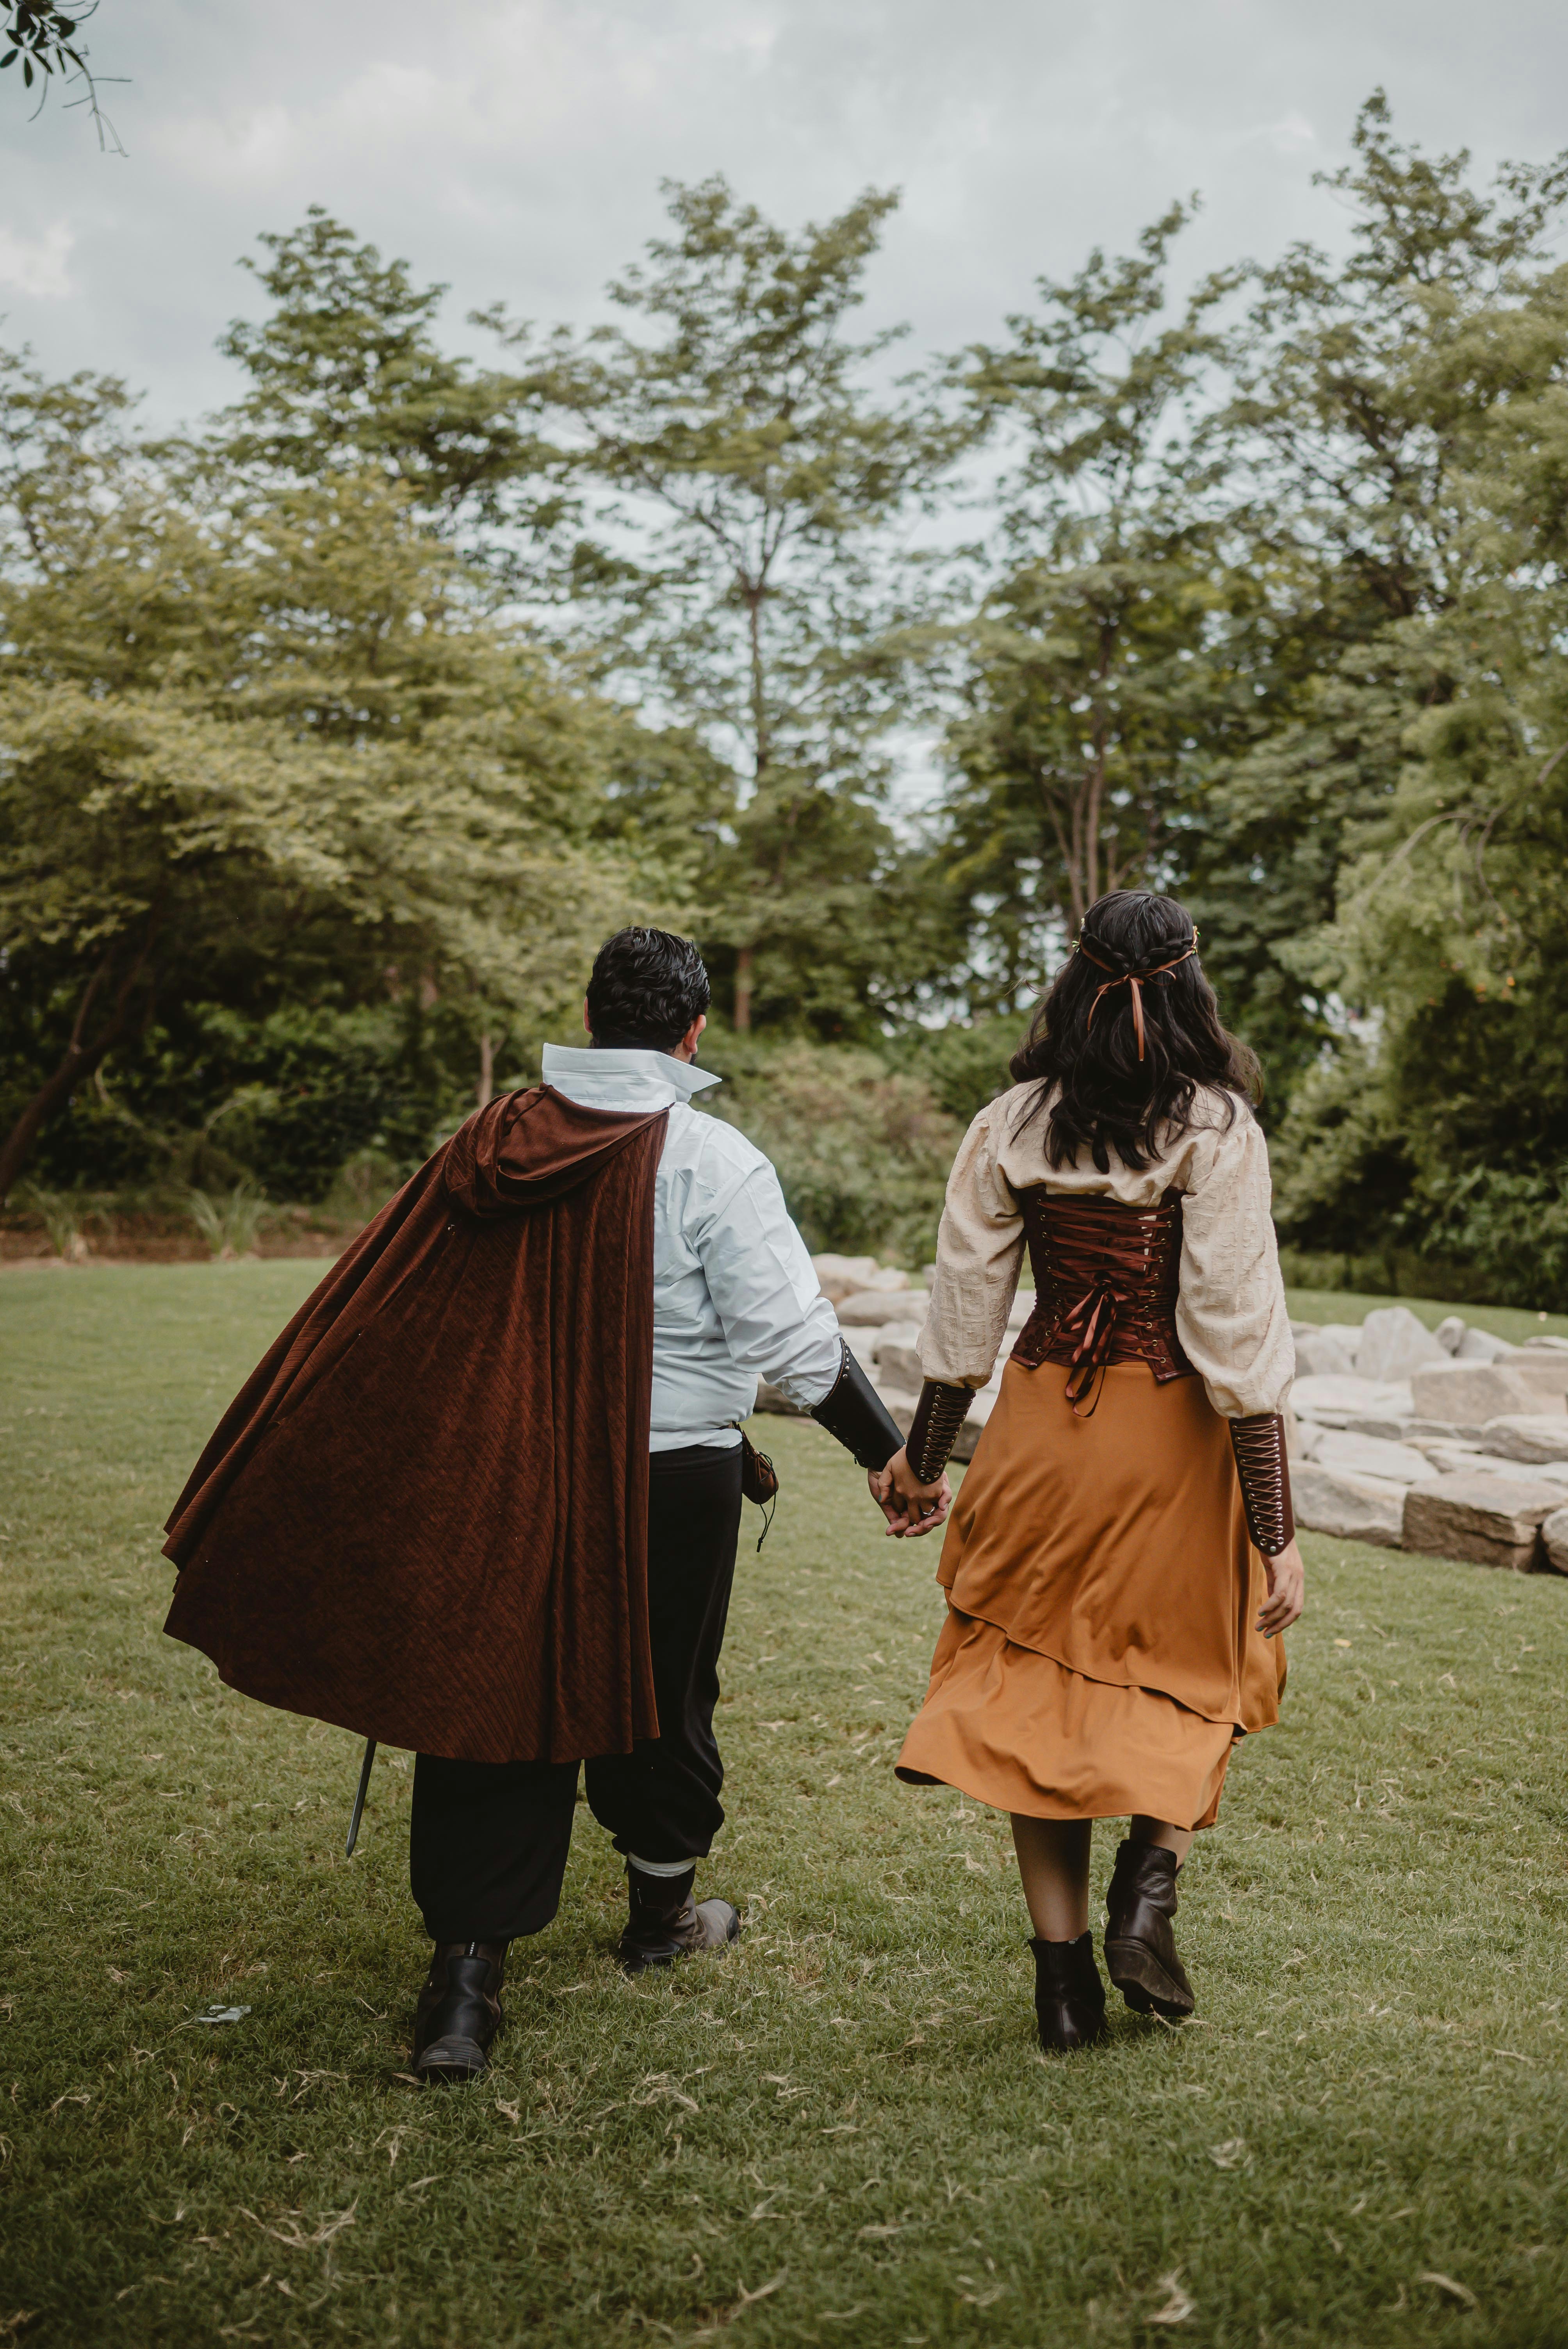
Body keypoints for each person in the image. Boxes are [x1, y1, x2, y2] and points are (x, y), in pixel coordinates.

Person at [162, 928, 921, 2085]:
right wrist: (888, 1454)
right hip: (667, 1476)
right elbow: (795, 1344)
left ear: (591, 1015)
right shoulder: (711, 1159)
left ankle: (463, 1990)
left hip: (502, 1467)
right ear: (694, 1030)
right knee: (662, 1689)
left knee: (491, 1696)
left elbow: (402, 1309)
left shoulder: (489, 1140)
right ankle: (657, 1920)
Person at [873, 890, 1304, 2051]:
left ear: (1074, 982)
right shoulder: (1216, 1128)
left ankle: (1062, 1992)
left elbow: (965, 1315)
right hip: (1173, 1443)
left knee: (1030, 1700)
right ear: (1190, 987)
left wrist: (920, 1465)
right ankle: (1146, 1891)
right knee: (1203, 1663)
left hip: (1040, 1440)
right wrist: (1277, 1527)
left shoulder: (1014, 1120)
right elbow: (1237, 1333)